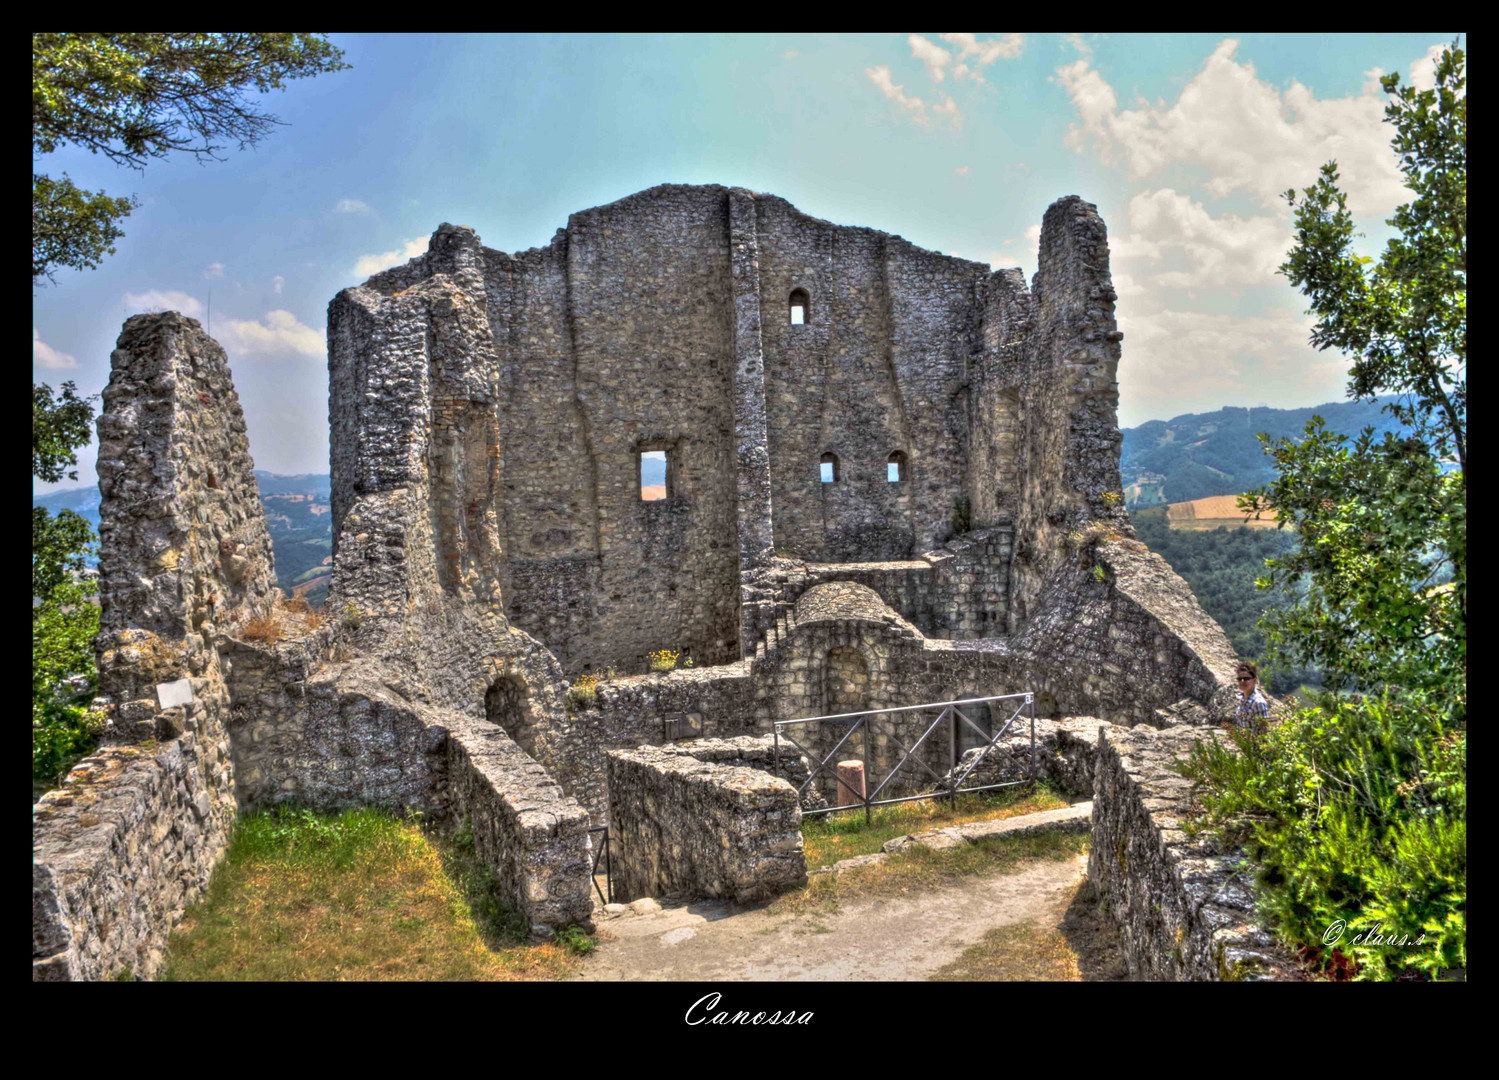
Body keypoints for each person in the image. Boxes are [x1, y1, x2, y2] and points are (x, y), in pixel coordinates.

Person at [1233, 661, 1271, 737]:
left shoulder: (1258, 703)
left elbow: (1263, 731)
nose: (1242, 681)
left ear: (1255, 680)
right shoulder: (1241, 698)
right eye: (1239, 679)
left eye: (1246, 678)